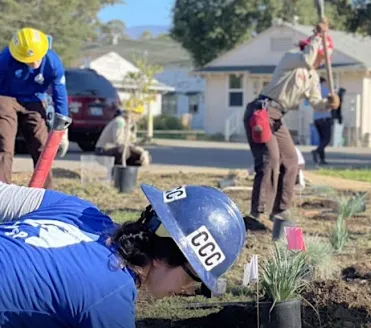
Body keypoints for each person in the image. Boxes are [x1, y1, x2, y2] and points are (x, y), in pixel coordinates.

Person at [0, 181, 246, 327]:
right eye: (193, 279)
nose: (190, 292)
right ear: (162, 256)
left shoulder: (80, 210)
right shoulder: (110, 299)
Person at [243, 19, 340, 222]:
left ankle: (280, 211)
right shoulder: (292, 60)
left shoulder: (313, 77)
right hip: (262, 111)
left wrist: (329, 103)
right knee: (270, 160)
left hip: (278, 117)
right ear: (318, 51)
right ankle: (257, 214)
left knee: (291, 160)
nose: (324, 61)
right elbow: (307, 59)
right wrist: (317, 36)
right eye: (324, 56)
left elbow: (315, 102)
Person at [0, 27, 68, 189]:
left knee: (42, 145)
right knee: (5, 144)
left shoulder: (53, 62)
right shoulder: (5, 59)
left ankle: (44, 192)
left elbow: (59, 90)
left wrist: (62, 118)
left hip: (35, 99)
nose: (35, 63)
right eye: (29, 60)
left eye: (37, 58)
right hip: (6, 97)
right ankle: (2, 191)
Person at [312, 76, 333, 165]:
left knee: (321, 140)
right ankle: (317, 151)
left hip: (316, 118)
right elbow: (333, 101)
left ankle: (322, 159)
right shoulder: (325, 90)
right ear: (323, 82)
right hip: (325, 118)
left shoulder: (314, 91)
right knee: (327, 139)